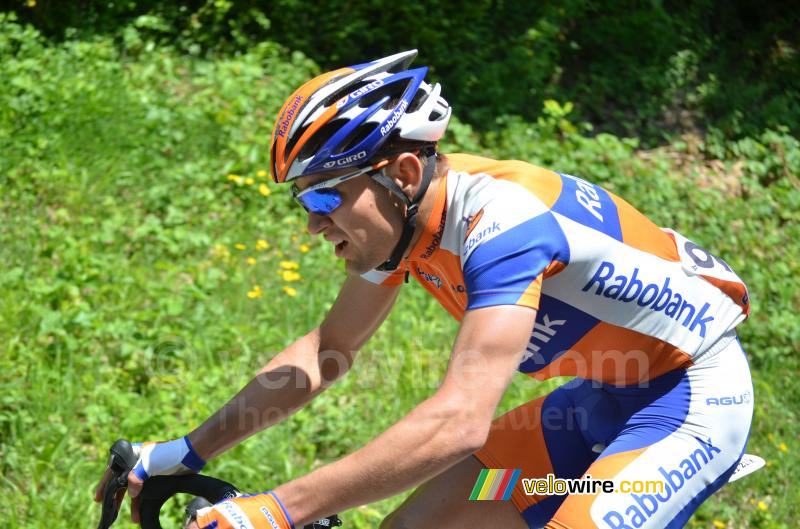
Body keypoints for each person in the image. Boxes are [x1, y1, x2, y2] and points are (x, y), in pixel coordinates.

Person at [94, 50, 754, 529]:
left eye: (327, 195)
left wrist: (277, 509)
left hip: (690, 404)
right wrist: (190, 449)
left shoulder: (502, 225)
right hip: (595, 403)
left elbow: (459, 420)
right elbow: (328, 350)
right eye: (304, 202)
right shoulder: (402, 225)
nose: (313, 223)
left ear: (403, 171)